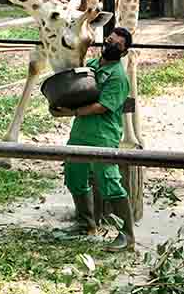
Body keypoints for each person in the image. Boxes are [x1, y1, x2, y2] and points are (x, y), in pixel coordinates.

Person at [49, 26, 136, 252]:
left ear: (124, 52)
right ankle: (86, 224)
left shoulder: (118, 77)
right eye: (109, 40)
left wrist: (70, 113)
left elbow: (101, 107)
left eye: (117, 45)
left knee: (110, 182)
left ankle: (127, 235)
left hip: (102, 136)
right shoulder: (93, 66)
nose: (111, 46)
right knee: (74, 176)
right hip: (80, 133)